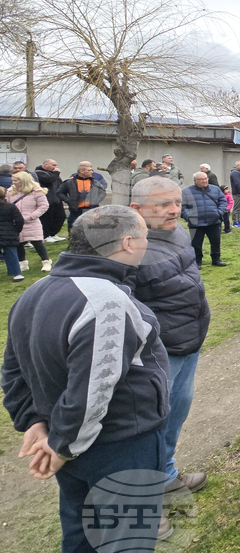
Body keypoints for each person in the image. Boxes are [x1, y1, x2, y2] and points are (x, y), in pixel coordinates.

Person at [1, 205, 169, 550]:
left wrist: (33, 421)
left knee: (79, 534)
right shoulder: (106, 303)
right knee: (126, 539)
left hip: (66, 439)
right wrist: (64, 444)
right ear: (127, 243)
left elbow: (12, 369)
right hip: (118, 443)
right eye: (144, 239)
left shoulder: (33, 291)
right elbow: (94, 386)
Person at [127, 176, 211, 508]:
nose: (174, 210)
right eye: (164, 204)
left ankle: (165, 475)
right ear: (137, 209)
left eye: (177, 203)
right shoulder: (126, 247)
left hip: (189, 339)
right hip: (156, 352)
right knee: (146, 425)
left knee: (174, 415)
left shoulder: (177, 231)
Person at [181, 172, 228, 268]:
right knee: (196, 243)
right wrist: (188, 217)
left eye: (205, 178)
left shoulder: (216, 190)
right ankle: (197, 261)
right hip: (196, 223)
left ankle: (216, 259)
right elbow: (181, 206)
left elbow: (223, 202)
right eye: (201, 179)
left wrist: (218, 213)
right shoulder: (186, 191)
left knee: (215, 241)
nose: (204, 181)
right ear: (195, 181)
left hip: (213, 221)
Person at [8, 172, 52, 274]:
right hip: (16, 222)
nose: (13, 182)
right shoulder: (10, 192)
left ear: (23, 180)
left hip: (31, 221)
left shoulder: (36, 192)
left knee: (36, 242)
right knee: (18, 242)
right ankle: (22, 262)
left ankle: (45, 261)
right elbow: (8, 205)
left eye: (15, 180)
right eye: (13, 180)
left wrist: (32, 216)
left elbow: (44, 206)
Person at [56, 162, 107, 230]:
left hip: (91, 208)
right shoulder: (70, 182)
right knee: (74, 226)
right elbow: (60, 192)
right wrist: (68, 200)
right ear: (82, 171)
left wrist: (96, 201)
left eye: (91, 170)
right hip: (76, 209)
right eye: (89, 170)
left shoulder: (94, 182)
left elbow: (102, 192)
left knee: (91, 226)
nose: (92, 172)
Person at [35, 159, 66, 242]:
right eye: (53, 165)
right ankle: (45, 235)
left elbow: (60, 184)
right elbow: (49, 180)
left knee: (60, 217)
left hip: (56, 200)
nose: (55, 167)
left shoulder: (54, 174)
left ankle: (53, 233)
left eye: (56, 165)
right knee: (47, 219)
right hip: (47, 200)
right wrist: (56, 173)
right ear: (45, 165)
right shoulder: (38, 173)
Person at [0, 187, 24, 281]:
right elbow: (19, 220)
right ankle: (16, 274)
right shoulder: (10, 206)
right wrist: (16, 231)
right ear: (5, 195)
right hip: (9, 233)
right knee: (11, 253)